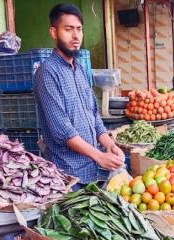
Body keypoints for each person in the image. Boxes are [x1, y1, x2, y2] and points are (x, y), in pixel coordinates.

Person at [34, 3, 125, 191]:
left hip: (91, 170)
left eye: (79, 29)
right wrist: (99, 156)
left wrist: (109, 145)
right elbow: (61, 129)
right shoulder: (47, 73)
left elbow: (93, 114)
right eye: (68, 29)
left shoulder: (81, 69)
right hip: (67, 174)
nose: (76, 36)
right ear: (54, 32)